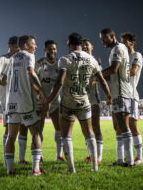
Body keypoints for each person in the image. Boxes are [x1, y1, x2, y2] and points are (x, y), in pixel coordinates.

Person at [41, 33, 112, 173]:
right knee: (89, 133)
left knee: (66, 135)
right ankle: (94, 166)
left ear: (69, 45)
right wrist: (108, 95)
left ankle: (71, 168)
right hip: (84, 102)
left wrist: (49, 100)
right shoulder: (92, 60)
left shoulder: (64, 60)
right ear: (80, 44)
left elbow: (60, 82)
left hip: (68, 103)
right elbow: (102, 80)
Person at [2, 35, 46, 175]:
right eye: (33, 44)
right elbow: (31, 73)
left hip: (11, 102)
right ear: (26, 46)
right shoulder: (28, 56)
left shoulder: (11, 59)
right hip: (26, 102)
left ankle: (10, 170)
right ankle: (36, 169)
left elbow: (4, 79)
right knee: (35, 134)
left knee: (11, 136)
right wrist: (41, 93)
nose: (36, 46)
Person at [0, 36, 30, 166]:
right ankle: (6, 161)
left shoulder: (21, 59)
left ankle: (21, 159)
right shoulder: (3, 59)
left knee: (23, 128)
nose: (19, 49)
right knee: (9, 129)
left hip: (22, 99)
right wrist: (4, 83)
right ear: (10, 45)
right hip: (8, 101)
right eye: (16, 47)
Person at [100, 28, 134, 167]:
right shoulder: (117, 49)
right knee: (118, 127)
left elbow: (113, 69)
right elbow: (112, 74)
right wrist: (99, 78)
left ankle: (130, 161)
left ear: (112, 36)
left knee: (123, 126)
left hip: (121, 93)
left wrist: (97, 75)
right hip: (117, 93)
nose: (102, 42)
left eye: (104, 38)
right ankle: (120, 160)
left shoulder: (118, 49)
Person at [35, 40, 64, 161]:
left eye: (54, 49)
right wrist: (42, 98)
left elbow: (61, 83)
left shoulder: (60, 64)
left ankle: (59, 155)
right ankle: (39, 156)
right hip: (41, 101)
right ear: (45, 50)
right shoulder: (40, 64)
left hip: (55, 101)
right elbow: (34, 82)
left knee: (59, 129)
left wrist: (50, 100)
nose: (52, 51)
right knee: (39, 129)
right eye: (50, 49)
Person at [121, 32, 143, 164]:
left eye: (125, 41)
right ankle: (129, 155)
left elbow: (133, 71)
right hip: (123, 95)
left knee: (132, 125)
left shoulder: (137, 55)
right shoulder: (123, 57)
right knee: (124, 127)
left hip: (132, 95)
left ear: (131, 42)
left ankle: (140, 157)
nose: (123, 44)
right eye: (122, 41)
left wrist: (118, 75)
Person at [82, 38, 103, 164]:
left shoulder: (96, 60)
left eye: (86, 44)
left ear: (92, 46)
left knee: (96, 127)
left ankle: (99, 157)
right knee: (86, 128)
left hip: (93, 98)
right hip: (82, 98)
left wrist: (91, 78)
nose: (84, 46)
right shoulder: (79, 60)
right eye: (82, 44)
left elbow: (98, 77)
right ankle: (91, 155)